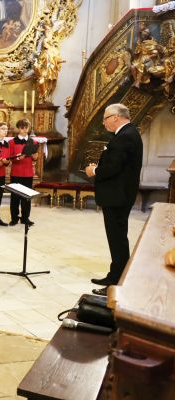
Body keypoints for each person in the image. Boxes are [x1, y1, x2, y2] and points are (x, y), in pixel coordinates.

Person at [85, 104, 142, 294]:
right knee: (117, 238)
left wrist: (94, 170)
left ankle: (115, 282)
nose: (104, 122)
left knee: (117, 239)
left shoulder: (125, 137)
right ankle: (114, 275)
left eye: (105, 118)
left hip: (117, 197)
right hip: (119, 195)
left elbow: (112, 168)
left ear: (116, 117)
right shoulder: (127, 134)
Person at [9, 119, 38, 226]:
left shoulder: (33, 142)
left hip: (28, 172)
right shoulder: (12, 142)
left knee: (27, 197)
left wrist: (35, 157)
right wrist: (17, 158)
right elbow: (10, 157)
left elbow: (35, 157)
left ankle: (25, 218)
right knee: (15, 197)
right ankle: (14, 218)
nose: (24, 129)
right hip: (16, 172)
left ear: (28, 128)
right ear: (19, 128)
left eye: (26, 127)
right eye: (22, 127)